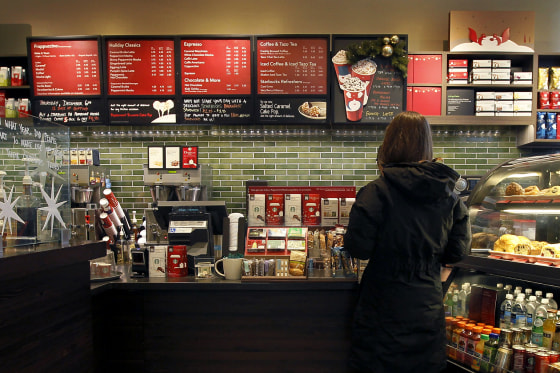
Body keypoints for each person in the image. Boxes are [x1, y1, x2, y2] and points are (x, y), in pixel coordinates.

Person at [343, 111, 471, 373]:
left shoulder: (375, 192)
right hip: (426, 304)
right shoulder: (449, 196)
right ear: (427, 145)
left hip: (382, 306)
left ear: (388, 146)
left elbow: (358, 248)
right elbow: (457, 251)